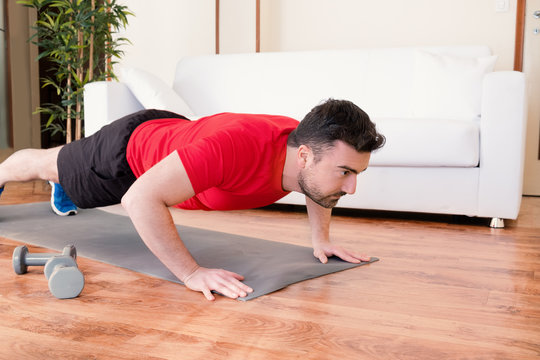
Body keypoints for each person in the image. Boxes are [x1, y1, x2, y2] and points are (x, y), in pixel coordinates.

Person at [0, 99, 385, 300]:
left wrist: (321, 240)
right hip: (127, 157)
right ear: (304, 155)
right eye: (346, 173)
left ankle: (62, 182)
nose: (351, 189)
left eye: (356, 173)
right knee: (45, 163)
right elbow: (140, 199)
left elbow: (319, 186)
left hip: (172, 136)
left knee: (60, 169)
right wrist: (190, 273)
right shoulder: (235, 149)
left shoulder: (306, 155)